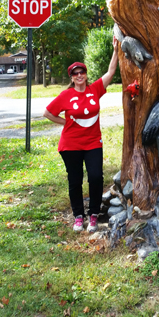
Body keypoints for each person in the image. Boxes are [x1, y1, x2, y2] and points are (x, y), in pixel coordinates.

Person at [43, 37, 118, 233]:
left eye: (82, 72)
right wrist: (65, 121)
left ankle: (93, 215)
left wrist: (116, 50)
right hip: (71, 145)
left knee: (95, 177)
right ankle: (78, 216)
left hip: (93, 142)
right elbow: (48, 112)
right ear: (71, 77)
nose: (79, 75)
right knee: (75, 181)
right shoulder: (65, 96)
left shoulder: (95, 90)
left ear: (85, 74)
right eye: (75, 73)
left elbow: (111, 72)